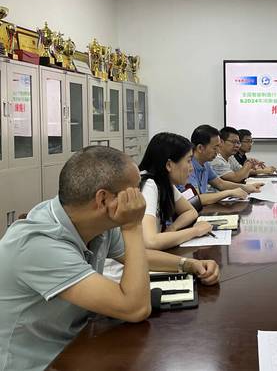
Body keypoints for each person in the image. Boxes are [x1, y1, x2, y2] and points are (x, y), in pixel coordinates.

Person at [0, 146, 219, 371]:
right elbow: (135, 309)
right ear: (103, 199)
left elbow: (137, 256)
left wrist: (187, 264)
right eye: (134, 192)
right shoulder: (39, 244)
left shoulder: (93, 222)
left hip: (78, 345)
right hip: (41, 362)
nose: (140, 200)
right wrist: (133, 226)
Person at [137, 132, 214, 250]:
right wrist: (196, 231)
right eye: (188, 161)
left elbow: (190, 211)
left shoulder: (163, 182)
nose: (191, 168)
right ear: (169, 165)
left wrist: (172, 229)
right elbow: (150, 242)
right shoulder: (149, 185)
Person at [187, 125, 263, 205]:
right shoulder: (188, 166)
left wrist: (246, 187)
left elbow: (220, 184)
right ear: (200, 148)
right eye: (215, 148)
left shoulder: (205, 163)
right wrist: (229, 193)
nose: (217, 151)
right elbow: (195, 199)